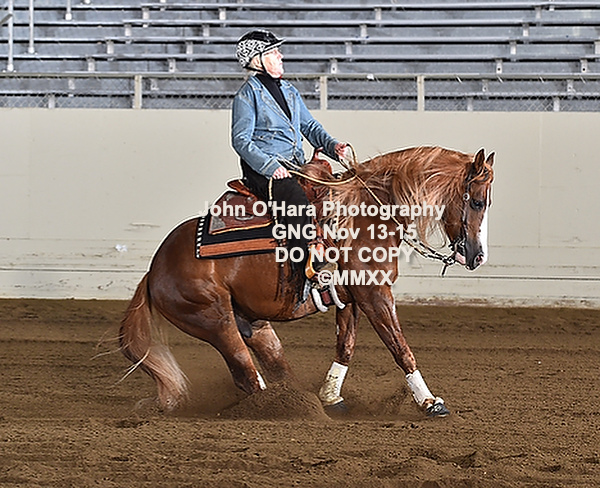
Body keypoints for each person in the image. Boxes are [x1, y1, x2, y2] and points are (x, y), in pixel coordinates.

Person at [231, 30, 348, 281]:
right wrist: (270, 166)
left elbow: (310, 126)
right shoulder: (247, 95)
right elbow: (240, 140)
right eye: (273, 52)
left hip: (294, 165)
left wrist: (332, 146)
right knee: (295, 198)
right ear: (257, 60)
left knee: (334, 193)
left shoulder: (289, 90)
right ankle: (305, 268)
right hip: (264, 170)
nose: (280, 56)